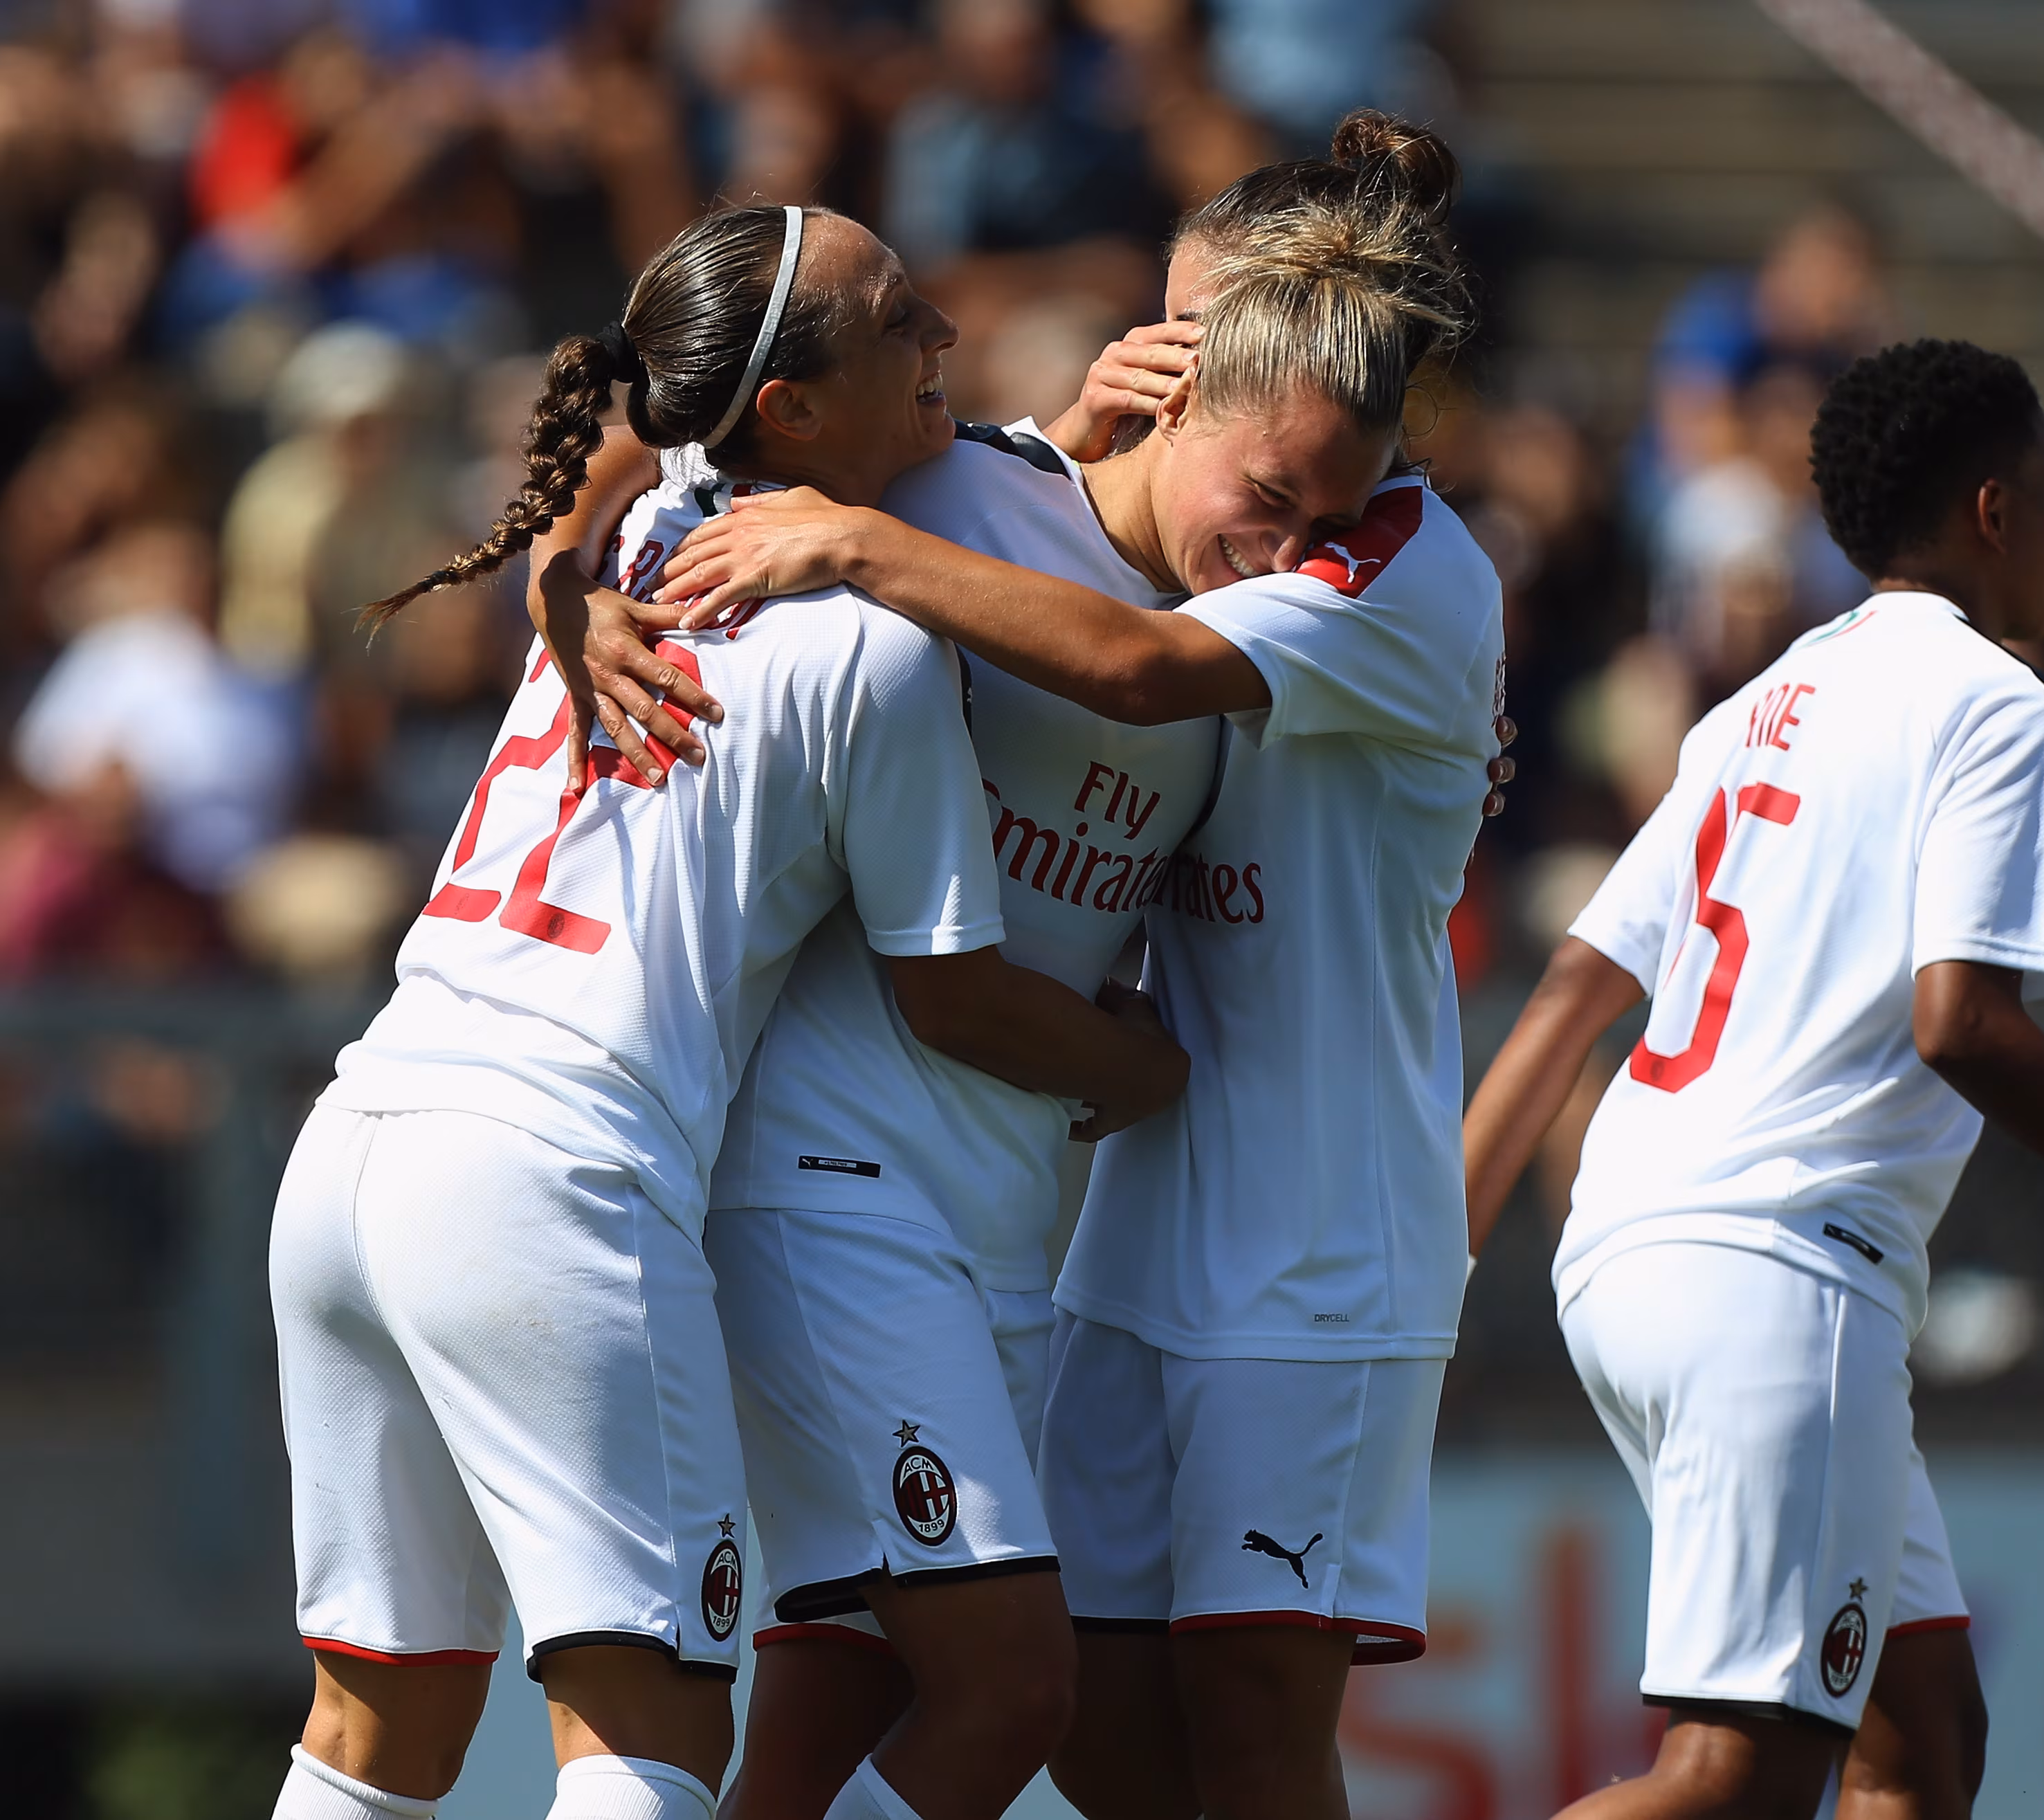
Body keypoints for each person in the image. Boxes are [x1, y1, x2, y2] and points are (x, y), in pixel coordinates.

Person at [266, 202, 1187, 1820]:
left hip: (354, 1144)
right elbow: (955, 992)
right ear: (791, 410)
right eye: (902, 320)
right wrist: (1155, 1064)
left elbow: (602, 474)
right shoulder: (876, 649)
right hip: (551, 1177)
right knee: (650, 1743)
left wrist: (564, 594)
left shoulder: (627, 542)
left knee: (374, 1732)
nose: (946, 343)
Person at [655, 113, 1503, 1820]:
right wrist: (572, 587)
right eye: (1263, 497)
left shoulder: (1392, 570)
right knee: (1074, 1724)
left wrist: (870, 533)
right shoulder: (1012, 491)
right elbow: (693, 451)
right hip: (1099, 1244)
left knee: (1237, 1738)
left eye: (1306, 509)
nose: (1276, 545)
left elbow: (1130, 664)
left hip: (1314, 1253)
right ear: (1179, 376)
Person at [1461, 340, 2044, 1820]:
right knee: (1737, 1778)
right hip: (1779, 1266)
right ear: (1998, 510)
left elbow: (1573, 987)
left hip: (1630, 1249)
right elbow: (1963, 1023)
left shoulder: (1762, 704)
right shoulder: (1997, 702)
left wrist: (1431, 1256)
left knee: (1919, 1741)